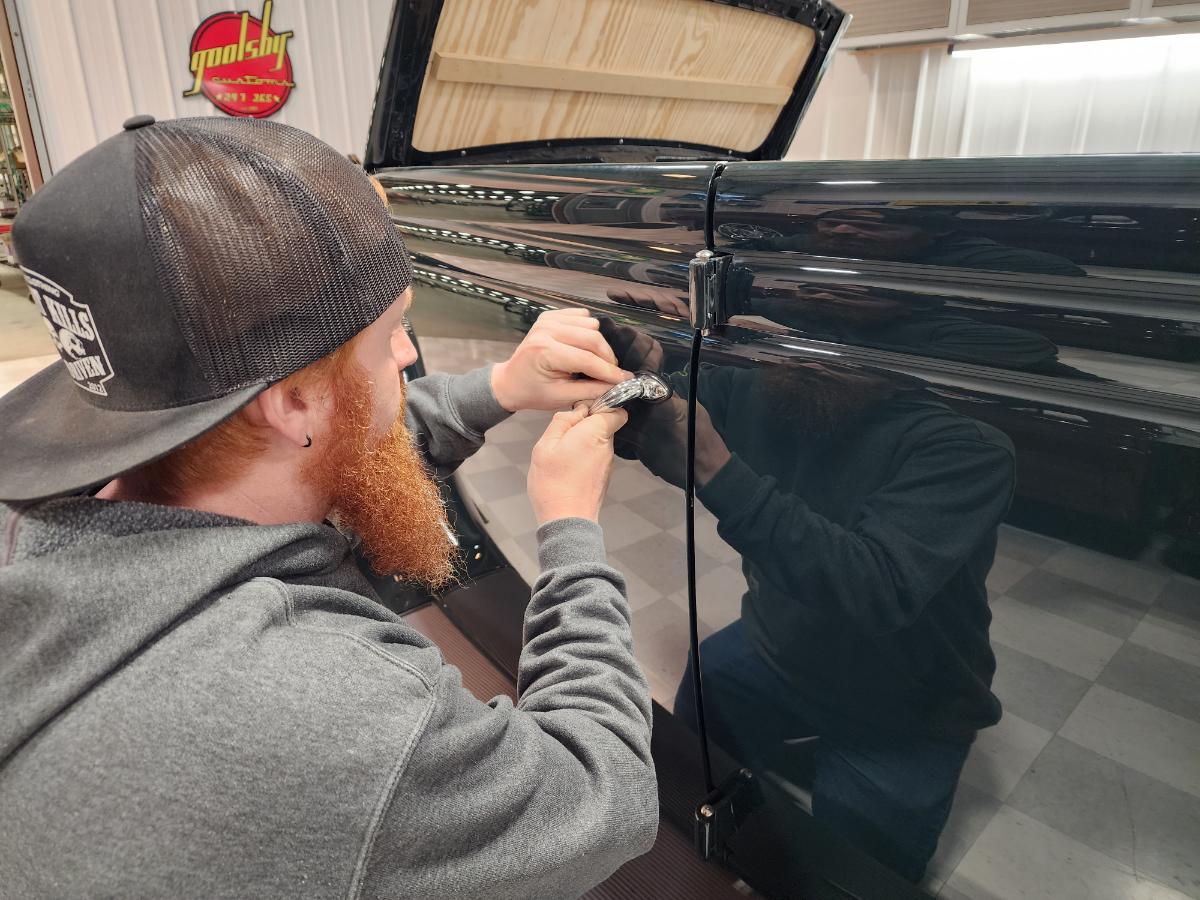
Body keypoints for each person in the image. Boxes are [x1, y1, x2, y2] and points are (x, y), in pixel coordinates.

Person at [0, 117, 656, 899]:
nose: (408, 355)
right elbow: (602, 793)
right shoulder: (329, 708)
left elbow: (322, 447)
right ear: (292, 401)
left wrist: (500, 389)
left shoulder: (49, 529)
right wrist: (570, 532)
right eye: (392, 335)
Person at [603, 321, 1015, 884]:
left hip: (906, 707)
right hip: (776, 645)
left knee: (851, 873)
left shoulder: (963, 444)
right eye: (797, 304)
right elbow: (650, 415)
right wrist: (624, 371)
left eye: (847, 302)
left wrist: (714, 469)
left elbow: (876, 588)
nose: (816, 304)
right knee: (690, 751)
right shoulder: (768, 387)